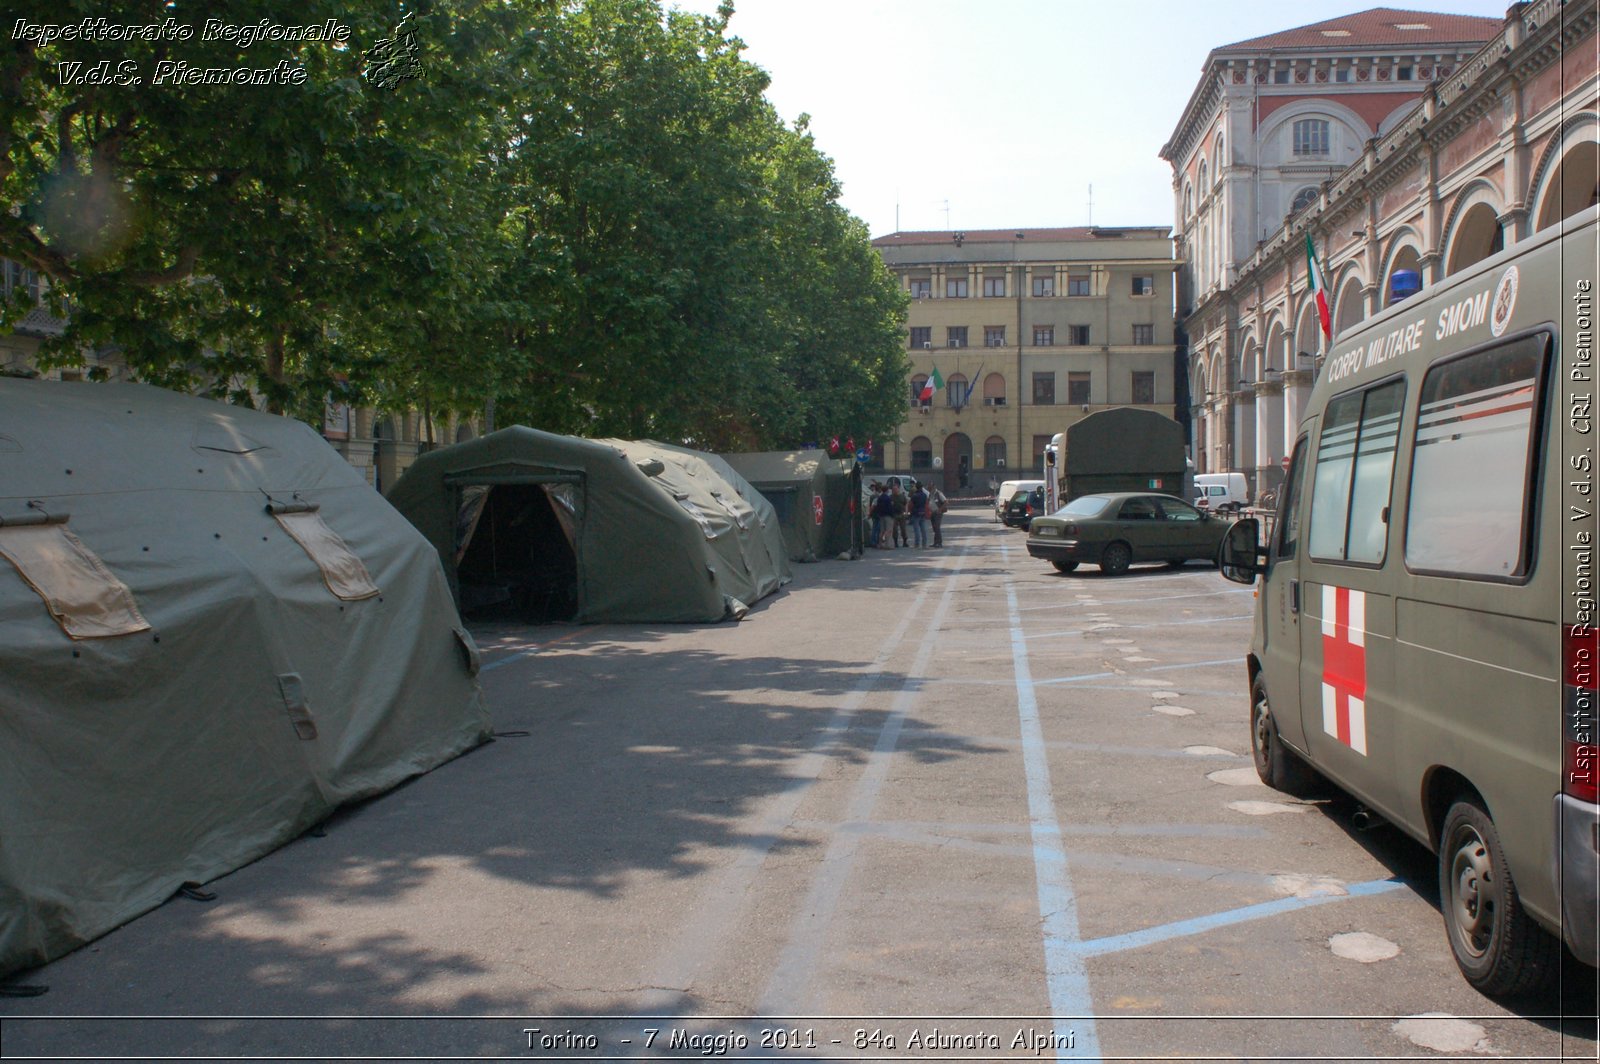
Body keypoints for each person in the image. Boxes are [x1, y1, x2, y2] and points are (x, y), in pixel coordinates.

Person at [909, 481, 931, 547]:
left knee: (917, 529)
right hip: (923, 512)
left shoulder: (914, 496)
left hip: (916, 513)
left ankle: (917, 543)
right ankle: (924, 543)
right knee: (923, 529)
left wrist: (910, 512)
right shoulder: (924, 495)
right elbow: (926, 504)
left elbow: (911, 505)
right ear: (921, 487)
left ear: (916, 487)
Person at [891, 479, 910, 547]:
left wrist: (906, 512)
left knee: (903, 529)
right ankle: (895, 542)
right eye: (893, 489)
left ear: (898, 489)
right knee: (894, 529)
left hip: (901, 514)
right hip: (894, 515)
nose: (894, 490)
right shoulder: (891, 497)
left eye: (895, 489)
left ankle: (905, 542)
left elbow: (906, 504)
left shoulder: (902, 496)